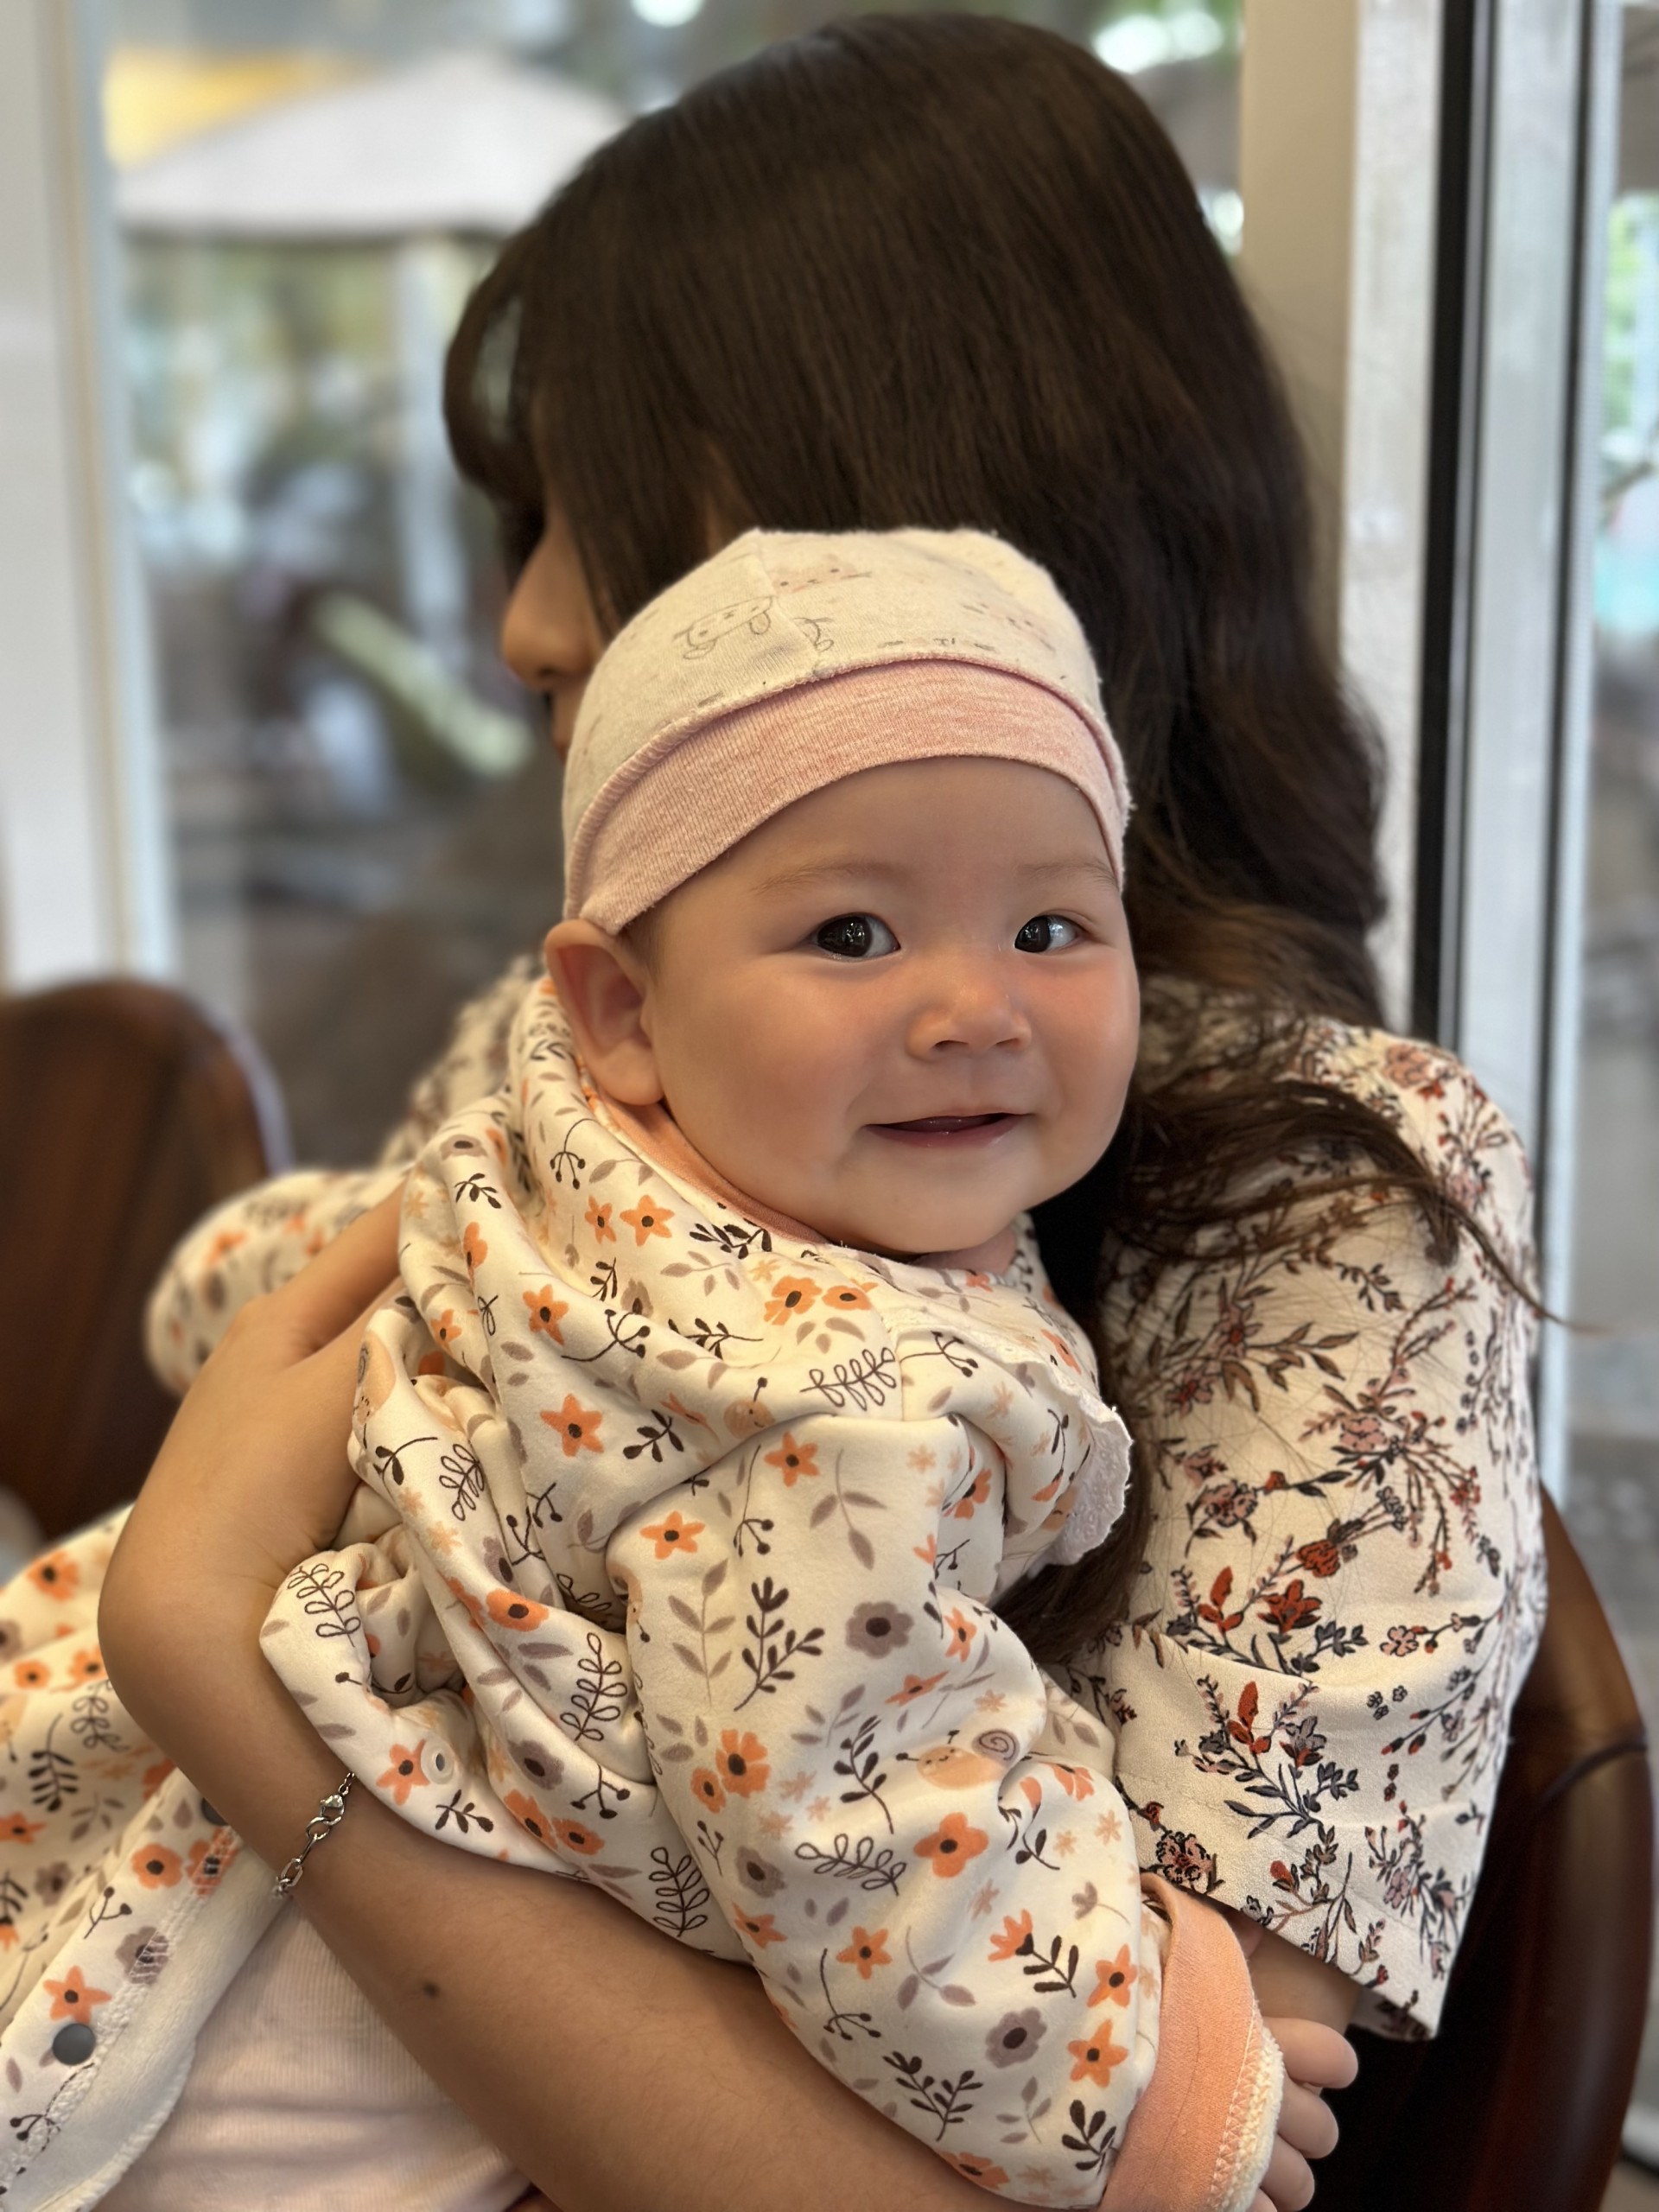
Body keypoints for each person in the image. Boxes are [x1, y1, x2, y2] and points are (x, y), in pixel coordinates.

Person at [92, 16, 1539, 2211]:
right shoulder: (599, 1041)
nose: (526, 617)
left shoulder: (1335, 1228)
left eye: (594, 510)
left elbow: (1126, 2159)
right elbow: (289, 1337)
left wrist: (213, 1655)